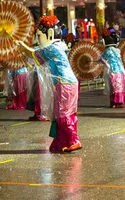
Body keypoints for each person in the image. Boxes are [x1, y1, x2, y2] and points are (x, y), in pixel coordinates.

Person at [18, 15, 81, 153]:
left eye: (40, 36)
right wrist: (24, 53)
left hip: (64, 83)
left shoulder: (53, 48)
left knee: (63, 114)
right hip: (64, 84)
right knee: (61, 114)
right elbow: (35, 60)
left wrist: (22, 46)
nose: (39, 40)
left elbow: (33, 54)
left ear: (50, 34)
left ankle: (73, 139)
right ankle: (61, 141)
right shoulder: (57, 47)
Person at [101, 29, 125, 108]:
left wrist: (97, 60)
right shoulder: (118, 50)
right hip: (121, 71)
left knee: (113, 87)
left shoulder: (108, 50)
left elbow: (102, 59)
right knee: (121, 87)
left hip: (113, 71)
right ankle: (121, 102)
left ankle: (114, 102)